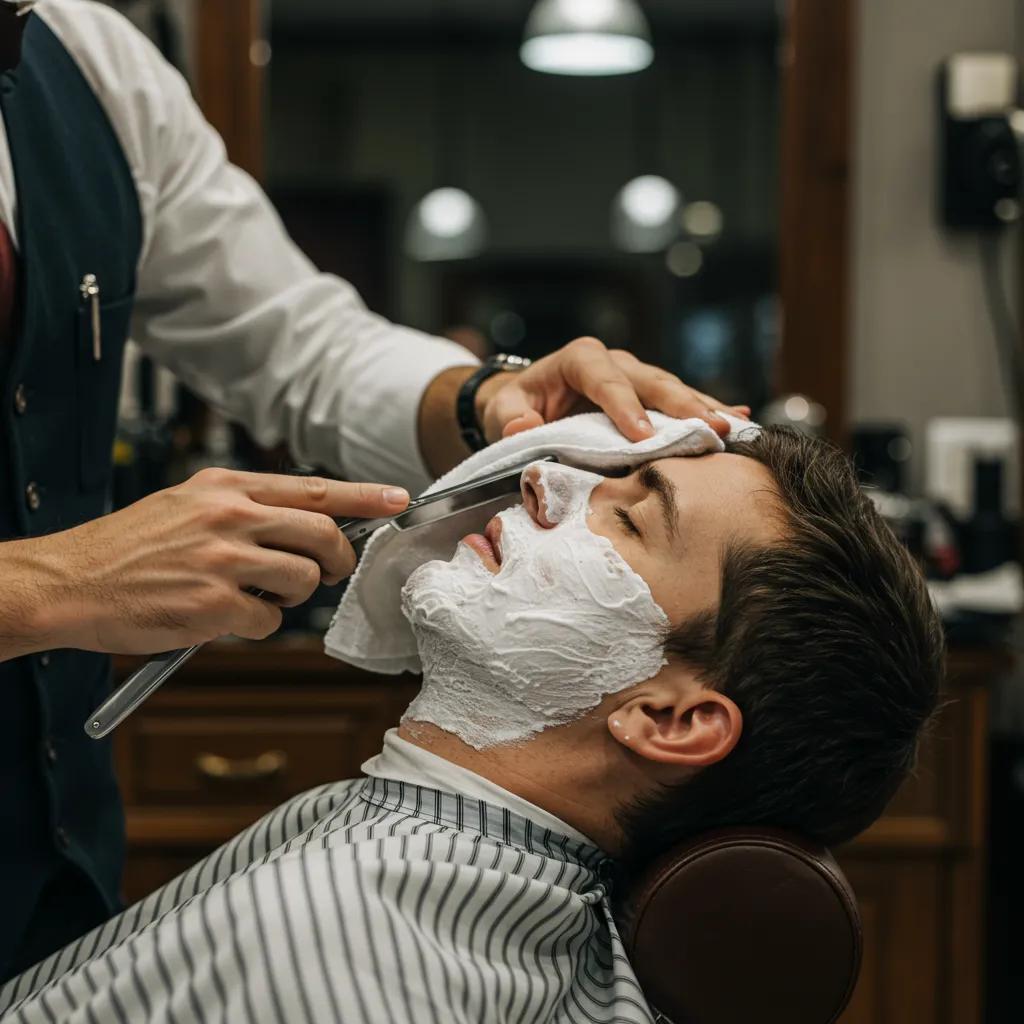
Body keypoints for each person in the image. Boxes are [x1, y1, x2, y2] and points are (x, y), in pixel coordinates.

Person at [0, 0, 751, 980]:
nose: (541, 487)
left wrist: (485, 399)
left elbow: (300, 345)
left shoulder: (88, 65)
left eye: (628, 505)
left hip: (55, 859)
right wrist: (47, 584)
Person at [0, 427, 944, 1023]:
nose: (541, 480)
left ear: (672, 718)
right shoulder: (434, 920)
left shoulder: (347, 948)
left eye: (630, 515)